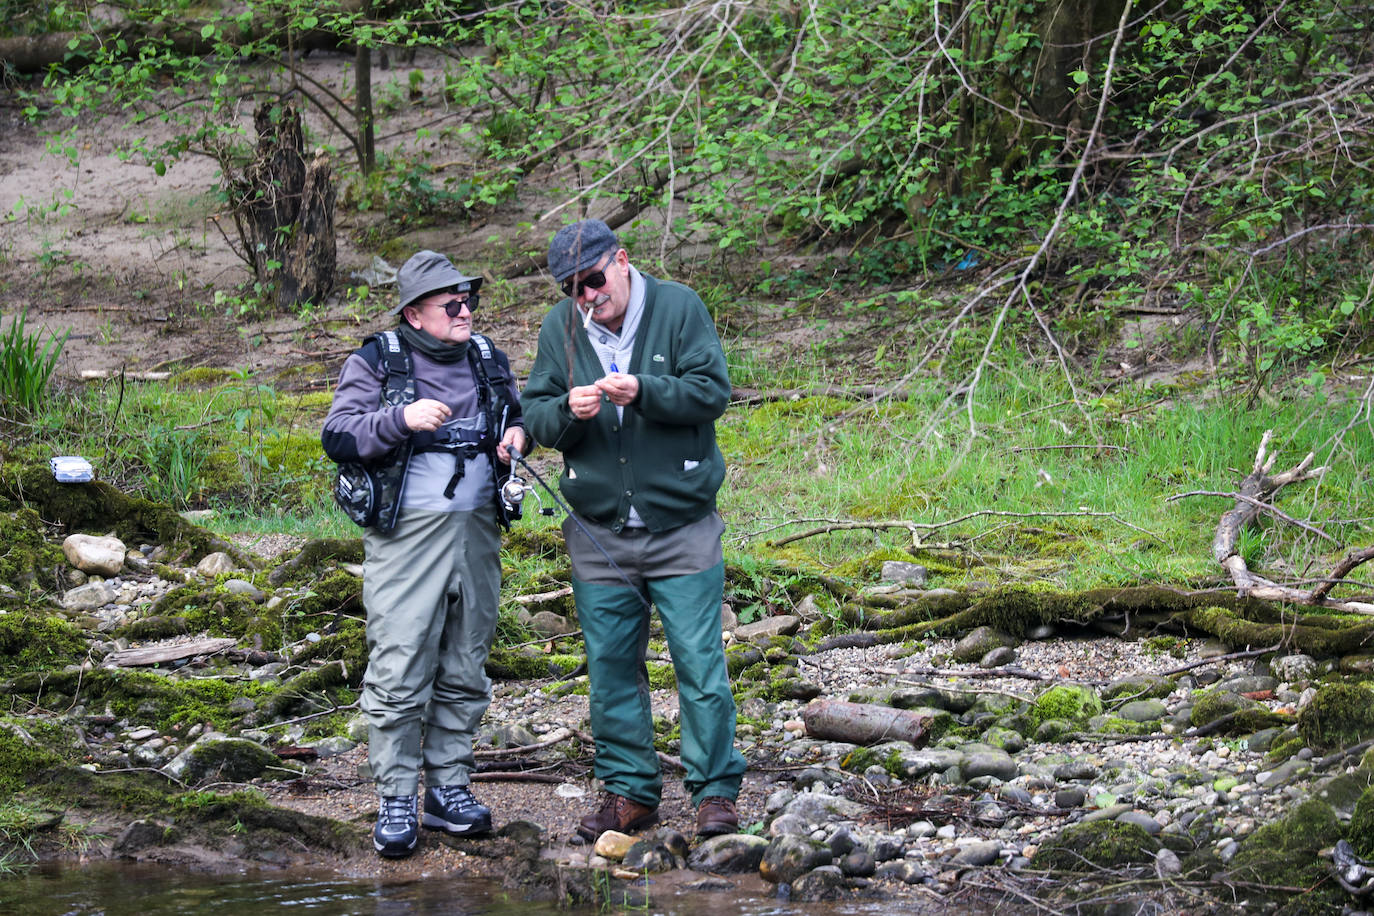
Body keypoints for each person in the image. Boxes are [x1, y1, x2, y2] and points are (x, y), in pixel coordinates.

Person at [521, 219, 747, 841]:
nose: (588, 297)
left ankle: (715, 793)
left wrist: (643, 390)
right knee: (611, 666)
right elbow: (535, 413)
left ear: (621, 262)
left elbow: (711, 392)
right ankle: (630, 792)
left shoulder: (678, 308)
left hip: (682, 525)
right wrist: (567, 411)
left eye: (593, 281)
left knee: (700, 664)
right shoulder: (559, 330)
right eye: (574, 289)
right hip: (598, 532)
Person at [322, 250, 526, 858]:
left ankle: (449, 789)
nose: (466, 312)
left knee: (467, 661)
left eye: (469, 301)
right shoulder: (377, 359)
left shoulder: (488, 358)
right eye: (451, 304)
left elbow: (516, 418)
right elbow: (338, 434)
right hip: (406, 536)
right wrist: (400, 418)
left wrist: (517, 436)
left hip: (478, 532)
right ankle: (396, 796)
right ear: (413, 314)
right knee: (401, 661)